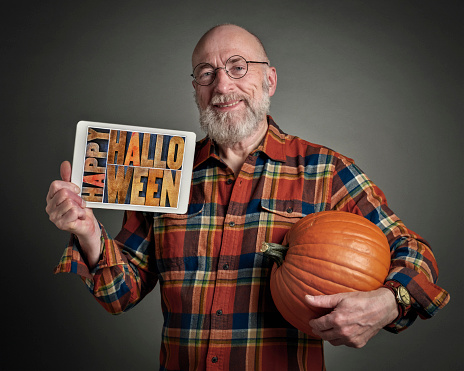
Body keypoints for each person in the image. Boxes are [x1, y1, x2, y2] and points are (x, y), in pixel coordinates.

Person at [46, 24, 449, 370]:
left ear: (269, 80)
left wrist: (390, 301)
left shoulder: (325, 171)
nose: (222, 85)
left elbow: (415, 253)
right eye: (206, 73)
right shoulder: (164, 171)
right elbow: (122, 292)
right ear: (196, 89)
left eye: (237, 67)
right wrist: (88, 234)